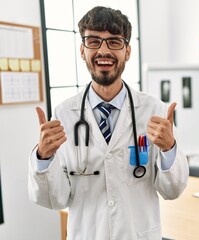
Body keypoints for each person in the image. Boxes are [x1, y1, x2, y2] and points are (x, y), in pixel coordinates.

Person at [28, 6, 189, 240]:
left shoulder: (155, 111)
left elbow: (172, 190)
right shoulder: (64, 114)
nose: (103, 50)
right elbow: (56, 199)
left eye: (114, 42)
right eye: (94, 41)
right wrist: (43, 157)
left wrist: (169, 149)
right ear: (82, 51)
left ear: (127, 51)